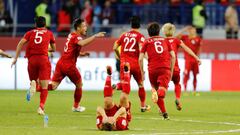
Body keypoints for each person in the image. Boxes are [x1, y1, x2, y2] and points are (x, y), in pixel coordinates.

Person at [34, 18, 105, 112]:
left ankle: (37, 88)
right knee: (79, 84)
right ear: (78, 28)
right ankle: (76, 106)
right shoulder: (77, 37)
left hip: (61, 63)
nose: (86, 28)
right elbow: (82, 43)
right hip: (69, 65)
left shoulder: (71, 35)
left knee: (54, 86)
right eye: (84, 26)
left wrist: (81, 54)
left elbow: (70, 50)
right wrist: (95, 36)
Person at [11, 16, 56, 115]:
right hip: (43, 60)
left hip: (31, 60)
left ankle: (33, 84)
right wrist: (44, 48)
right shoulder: (49, 33)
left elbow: (20, 44)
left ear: (35, 25)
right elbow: (54, 49)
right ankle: (41, 107)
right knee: (44, 87)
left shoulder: (30, 33)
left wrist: (16, 58)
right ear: (45, 24)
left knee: (34, 82)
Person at [139, 22, 176, 119]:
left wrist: (142, 71)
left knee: (157, 91)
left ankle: (164, 114)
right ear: (159, 31)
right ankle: (157, 93)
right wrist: (171, 70)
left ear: (148, 33)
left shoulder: (146, 42)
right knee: (162, 92)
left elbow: (140, 58)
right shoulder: (165, 41)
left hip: (152, 69)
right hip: (164, 68)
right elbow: (173, 56)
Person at [113, 16, 150, 112]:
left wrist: (120, 57)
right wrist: (147, 60)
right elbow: (142, 50)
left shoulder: (124, 35)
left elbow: (114, 47)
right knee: (141, 85)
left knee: (125, 85)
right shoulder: (140, 36)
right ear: (139, 25)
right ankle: (142, 106)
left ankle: (116, 87)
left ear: (131, 24)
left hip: (125, 64)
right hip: (135, 64)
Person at [162, 23, 201, 110]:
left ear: (164, 31)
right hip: (175, 68)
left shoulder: (162, 41)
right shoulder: (176, 40)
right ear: (173, 31)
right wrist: (196, 57)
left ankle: (161, 107)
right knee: (177, 84)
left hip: (165, 68)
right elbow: (187, 48)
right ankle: (178, 98)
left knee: (163, 87)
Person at [96, 66, 129, 131]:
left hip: (110, 112)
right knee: (123, 98)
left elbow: (98, 109)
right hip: (121, 114)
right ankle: (126, 72)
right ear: (114, 125)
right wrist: (114, 117)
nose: (109, 120)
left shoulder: (100, 125)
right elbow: (123, 110)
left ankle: (109, 75)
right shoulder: (120, 126)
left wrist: (104, 116)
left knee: (107, 102)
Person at [176, 26, 202, 96]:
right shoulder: (185, 37)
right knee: (186, 75)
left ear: (195, 30)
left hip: (195, 60)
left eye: (193, 30)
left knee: (195, 75)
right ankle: (185, 90)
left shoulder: (198, 39)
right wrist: (184, 30)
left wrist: (198, 58)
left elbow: (199, 48)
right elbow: (176, 37)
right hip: (188, 60)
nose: (192, 31)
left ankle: (194, 91)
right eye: (191, 30)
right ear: (189, 31)